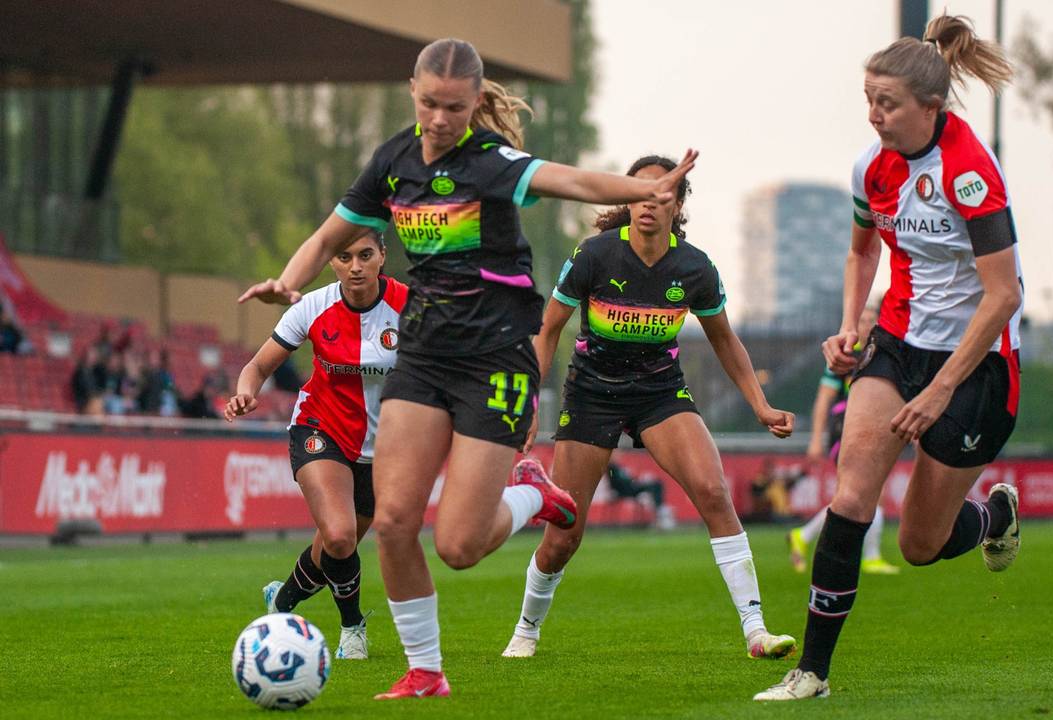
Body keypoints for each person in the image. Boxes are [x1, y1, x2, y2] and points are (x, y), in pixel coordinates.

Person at [239, 38, 697, 700]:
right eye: (429, 103)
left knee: (459, 545)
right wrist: (288, 281)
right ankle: (426, 672)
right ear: (413, 91)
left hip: (494, 360)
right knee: (393, 521)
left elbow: (569, 180)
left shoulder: (489, 161)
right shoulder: (393, 161)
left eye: (454, 107)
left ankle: (534, 493)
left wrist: (647, 188)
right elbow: (327, 235)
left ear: (475, 102)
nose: (439, 119)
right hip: (424, 354)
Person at [755, 14, 1024, 701]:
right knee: (850, 499)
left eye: (888, 103)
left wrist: (940, 392)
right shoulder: (869, 168)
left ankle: (994, 517)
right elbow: (861, 251)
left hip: (978, 367)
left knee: (918, 546)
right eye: (869, 100)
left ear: (931, 107)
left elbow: (1004, 295)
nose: (874, 115)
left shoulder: (970, 173)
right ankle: (812, 673)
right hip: (898, 345)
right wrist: (849, 329)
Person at [500, 155, 797, 662]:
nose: (648, 203)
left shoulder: (695, 268)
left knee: (714, 492)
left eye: (660, 194)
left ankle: (756, 630)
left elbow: (725, 340)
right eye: (638, 193)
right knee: (564, 535)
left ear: (676, 206)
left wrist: (761, 405)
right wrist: (527, 401)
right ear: (626, 199)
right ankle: (526, 628)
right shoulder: (594, 255)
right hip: (591, 394)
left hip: (660, 393)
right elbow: (547, 331)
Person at [226, 228, 405, 660]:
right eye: (344, 257)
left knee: (331, 549)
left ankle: (282, 602)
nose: (355, 266)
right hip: (319, 429)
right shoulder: (312, 306)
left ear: (382, 255)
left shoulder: (411, 307)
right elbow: (258, 366)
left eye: (365, 255)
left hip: (385, 448)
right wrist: (245, 392)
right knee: (341, 536)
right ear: (331, 262)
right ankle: (352, 628)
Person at [788, 303, 899, 575]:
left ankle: (804, 535)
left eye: (872, 319)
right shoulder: (844, 355)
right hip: (846, 428)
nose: (867, 324)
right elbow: (823, 399)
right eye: (862, 319)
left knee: (861, 493)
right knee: (861, 492)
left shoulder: (881, 354)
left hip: (871, 428)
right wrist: (816, 439)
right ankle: (870, 556)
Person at [603, 462, 675, 529]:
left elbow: (624, 479)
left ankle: (660, 509)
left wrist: (633, 480)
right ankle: (660, 509)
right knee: (655, 485)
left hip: (631, 488)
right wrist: (632, 481)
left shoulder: (617, 468)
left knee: (655, 484)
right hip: (626, 491)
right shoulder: (611, 469)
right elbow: (617, 480)